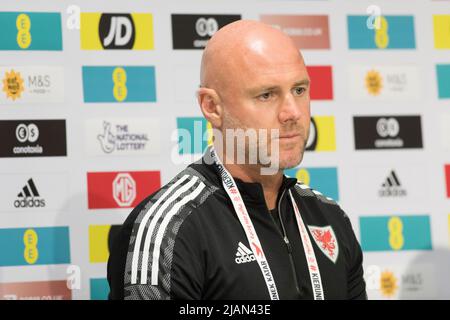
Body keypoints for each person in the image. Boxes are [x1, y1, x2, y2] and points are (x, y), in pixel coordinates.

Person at [107, 20, 367, 300]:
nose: (293, 112)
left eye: (299, 90)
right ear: (212, 107)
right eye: (267, 95)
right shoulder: (168, 231)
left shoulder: (328, 216)